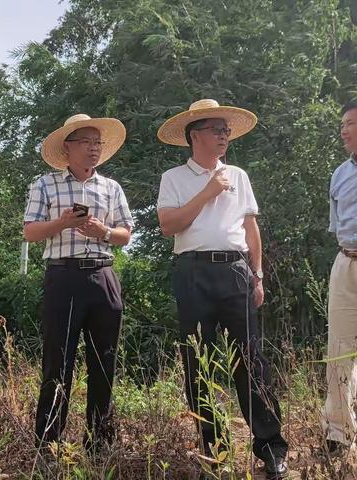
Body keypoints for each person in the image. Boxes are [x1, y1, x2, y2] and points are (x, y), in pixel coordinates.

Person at [156, 99, 288, 479]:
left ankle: (271, 448)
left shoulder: (239, 175)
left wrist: (258, 275)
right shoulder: (174, 178)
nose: (224, 136)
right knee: (197, 363)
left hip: (235, 272)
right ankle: (214, 448)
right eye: (217, 130)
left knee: (250, 361)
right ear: (195, 135)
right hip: (192, 272)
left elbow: (250, 229)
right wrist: (208, 192)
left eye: (226, 131)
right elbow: (169, 226)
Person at [23, 114, 133, 453]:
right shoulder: (45, 184)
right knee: (57, 361)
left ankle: (100, 444)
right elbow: (30, 231)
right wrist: (62, 222)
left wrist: (104, 233)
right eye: (87, 142)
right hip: (64, 276)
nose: (93, 149)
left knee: (105, 361)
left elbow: (126, 234)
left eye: (98, 143)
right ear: (67, 147)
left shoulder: (111, 187)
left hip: (103, 275)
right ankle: (49, 446)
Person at [322, 101, 357, 455]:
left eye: (349, 123)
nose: (343, 130)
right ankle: (339, 433)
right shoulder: (339, 174)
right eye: (342, 124)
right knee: (339, 351)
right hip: (345, 263)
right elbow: (337, 226)